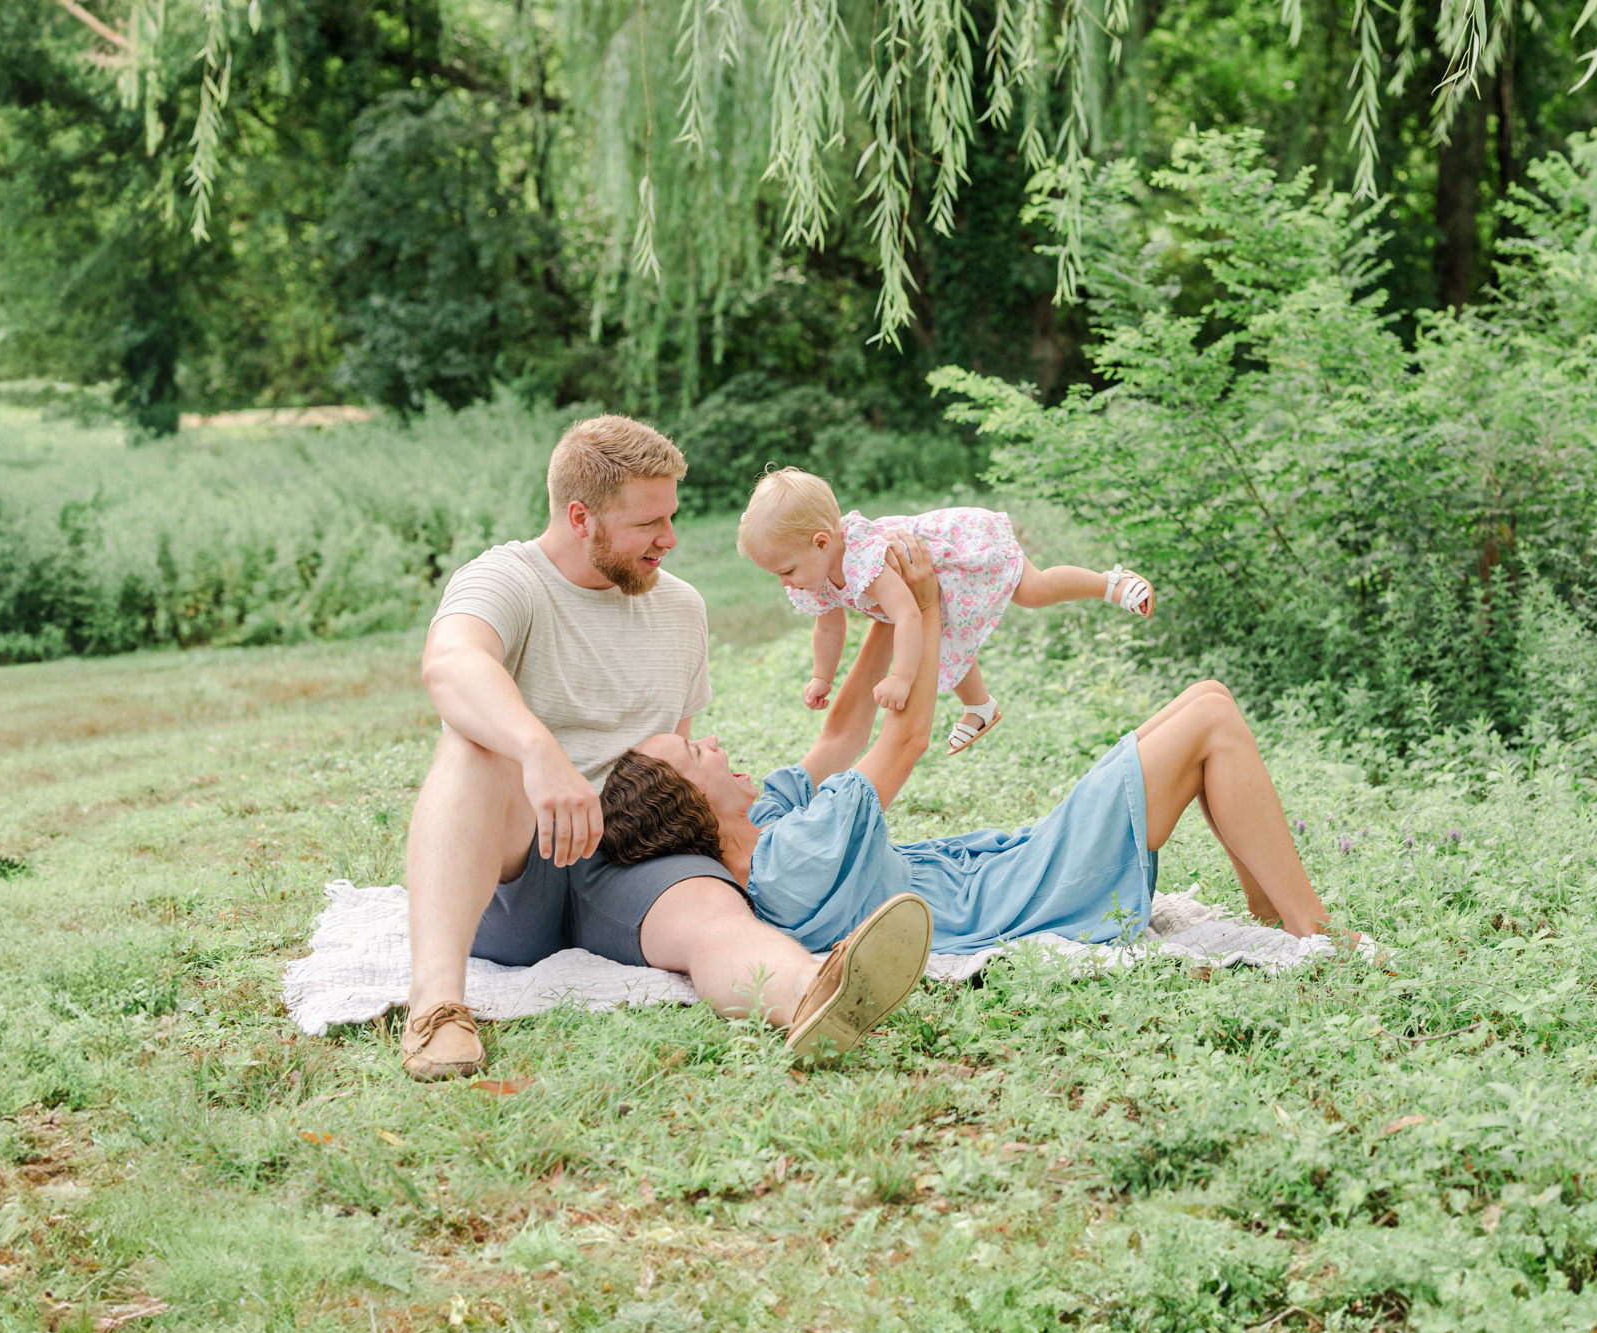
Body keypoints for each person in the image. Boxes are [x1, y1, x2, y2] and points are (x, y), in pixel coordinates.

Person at [401, 418, 935, 1079]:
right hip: (521, 854)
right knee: (472, 742)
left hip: (634, 852)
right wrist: (537, 749)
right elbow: (450, 664)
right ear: (581, 517)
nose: (670, 539)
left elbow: (681, 762)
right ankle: (436, 1008)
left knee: (713, 915)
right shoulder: (508, 580)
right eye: (649, 523)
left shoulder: (681, 607)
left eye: (672, 516)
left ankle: (812, 994)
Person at [596, 536, 1329, 957]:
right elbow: (903, 738)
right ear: (692, 803)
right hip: (1033, 894)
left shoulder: (772, 818)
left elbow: (843, 732)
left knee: (1209, 699)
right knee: (1212, 724)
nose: (713, 742)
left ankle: (1271, 914)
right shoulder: (792, 857)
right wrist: (932, 605)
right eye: (696, 755)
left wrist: (888, 606)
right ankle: (1319, 936)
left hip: (1015, 864)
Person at [735, 468, 1156, 756]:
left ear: (823, 542)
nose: (785, 583)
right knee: (947, 646)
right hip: (934, 590)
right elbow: (828, 626)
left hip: (958, 555)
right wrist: (820, 676)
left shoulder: (867, 560)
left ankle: (1109, 583)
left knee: (1035, 590)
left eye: (787, 570)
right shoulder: (818, 573)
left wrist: (900, 677)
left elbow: (910, 616)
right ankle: (981, 708)